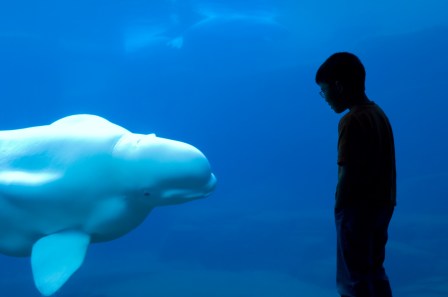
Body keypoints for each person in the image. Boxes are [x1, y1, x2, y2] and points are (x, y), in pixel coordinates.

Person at [315, 52, 396, 297]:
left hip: (356, 208)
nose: (325, 97)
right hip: (383, 204)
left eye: (324, 90)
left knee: (353, 279)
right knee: (374, 270)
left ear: (339, 86)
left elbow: (346, 172)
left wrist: (339, 205)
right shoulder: (379, 114)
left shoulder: (351, 121)